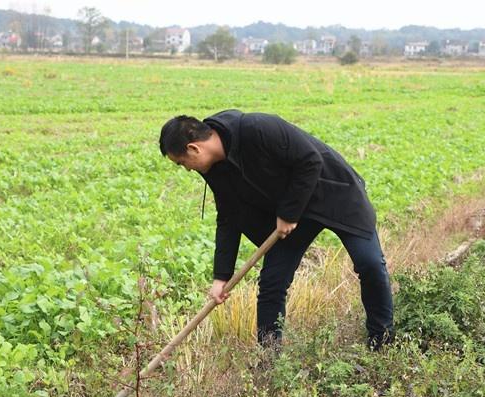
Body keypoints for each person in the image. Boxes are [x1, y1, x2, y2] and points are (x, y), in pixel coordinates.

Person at [158, 110, 394, 351]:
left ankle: (381, 343)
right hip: (290, 213)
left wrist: (288, 214)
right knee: (272, 282)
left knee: (370, 264)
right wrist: (221, 276)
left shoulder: (257, 128)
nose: (186, 169)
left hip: (335, 194)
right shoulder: (215, 169)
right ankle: (269, 359)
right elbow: (229, 217)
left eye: (181, 163)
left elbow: (310, 161)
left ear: (194, 148)